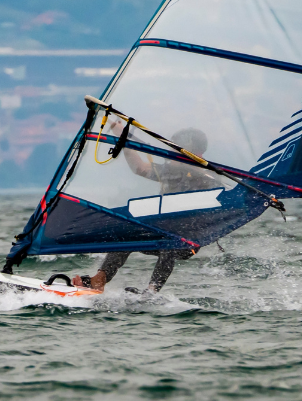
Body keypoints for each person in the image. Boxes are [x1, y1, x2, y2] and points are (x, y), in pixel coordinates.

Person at [73, 123, 220, 292]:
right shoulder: (170, 172)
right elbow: (140, 168)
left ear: (193, 153)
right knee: (127, 235)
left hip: (188, 242)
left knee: (170, 243)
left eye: (175, 149)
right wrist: (123, 137)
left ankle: (152, 291)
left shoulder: (207, 177)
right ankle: (99, 280)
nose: (169, 154)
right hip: (162, 233)